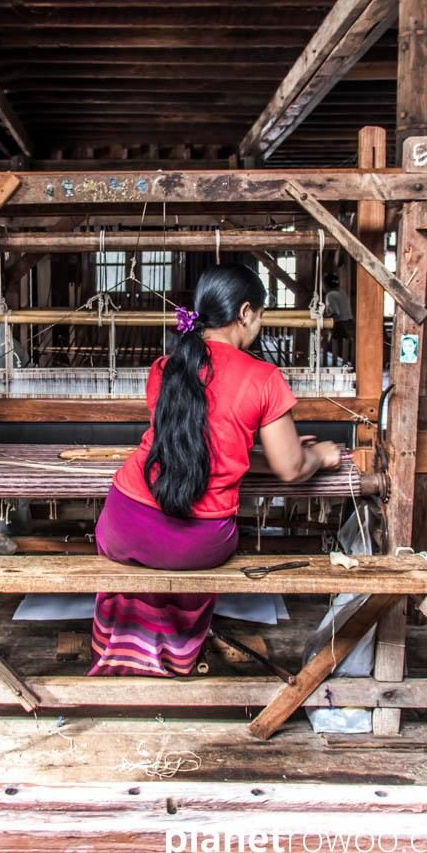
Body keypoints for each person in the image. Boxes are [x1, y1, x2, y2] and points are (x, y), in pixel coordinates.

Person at [88, 264, 342, 677]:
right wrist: (321, 456)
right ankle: (170, 655)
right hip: (197, 543)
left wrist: (267, 453)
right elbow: (292, 470)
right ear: (245, 313)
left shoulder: (166, 367)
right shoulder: (264, 378)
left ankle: (125, 650)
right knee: (187, 563)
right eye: (260, 316)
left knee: (136, 569)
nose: (259, 325)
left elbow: (194, 444)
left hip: (122, 523)